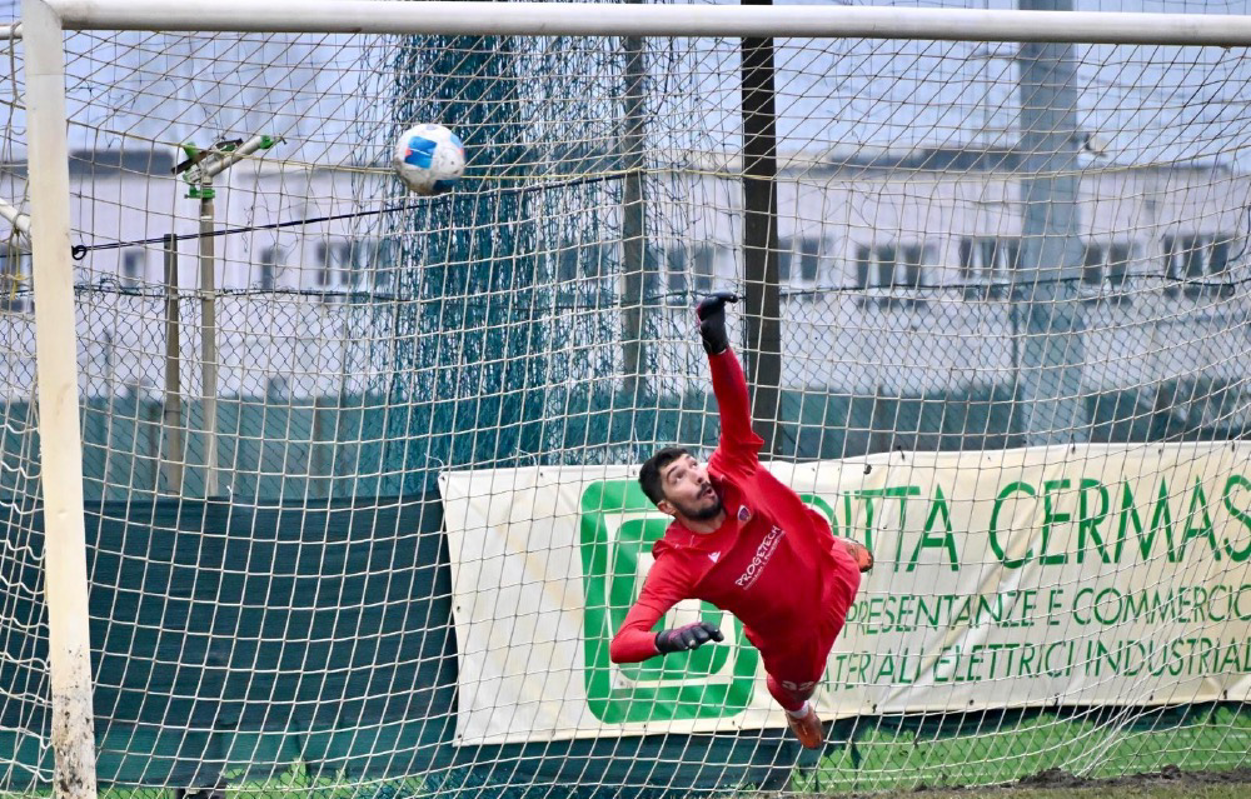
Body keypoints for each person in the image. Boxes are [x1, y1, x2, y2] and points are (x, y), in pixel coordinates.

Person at [608, 292, 872, 749]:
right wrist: (669, 638)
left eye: (694, 465)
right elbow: (622, 644)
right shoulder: (678, 564)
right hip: (795, 642)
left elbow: (732, 402)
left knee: (820, 542)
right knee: (795, 690)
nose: (698, 475)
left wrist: (717, 341)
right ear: (666, 507)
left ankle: (832, 544)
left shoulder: (731, 468)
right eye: (680, 478)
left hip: (836, 571)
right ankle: (797, 711)